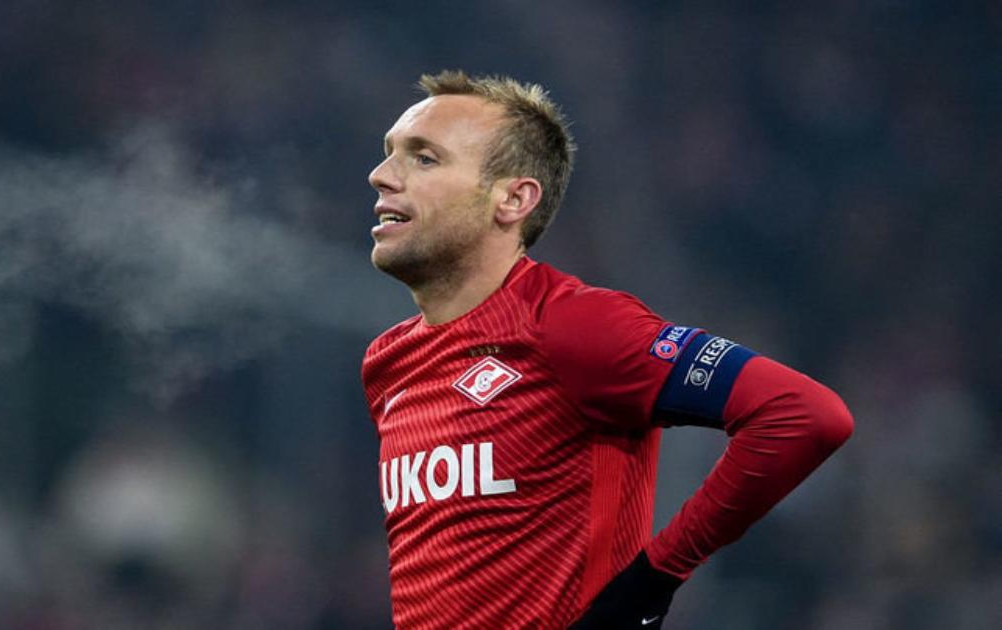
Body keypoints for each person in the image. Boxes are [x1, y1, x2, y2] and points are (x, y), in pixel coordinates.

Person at [360, 70, 854, 629]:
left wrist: (653, 579)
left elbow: (803, 414)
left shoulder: (572, 323)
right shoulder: (388, 363)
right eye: (389, 153)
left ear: (513, 199)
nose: (382, 175)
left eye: (425, 158)